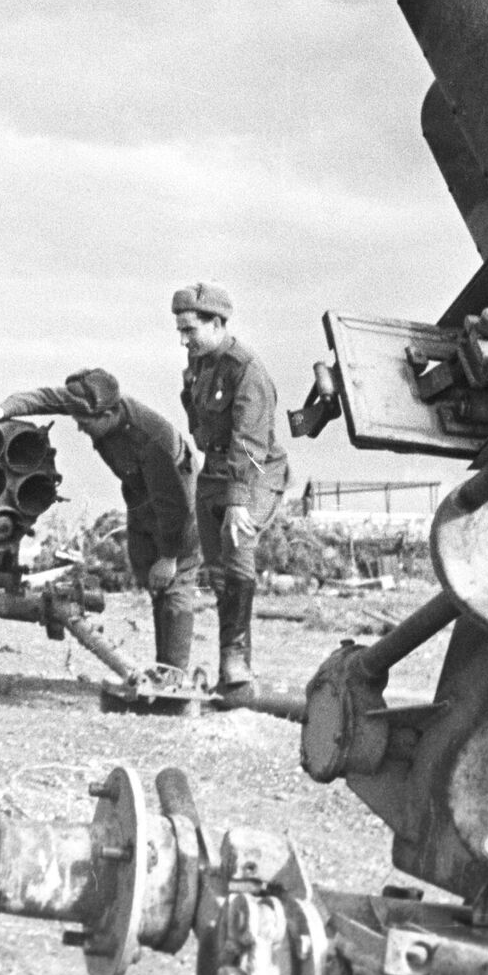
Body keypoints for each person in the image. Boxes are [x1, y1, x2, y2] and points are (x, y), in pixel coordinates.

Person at [0, 369, 201, 673]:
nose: (80, 429)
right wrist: (0, 411)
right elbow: (43, 397)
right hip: (141, 498)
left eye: (85, 423)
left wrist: (171, 557)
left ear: (109, 414)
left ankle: (175, 678)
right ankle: (166, 671)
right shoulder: (90, 402)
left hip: (180, 507)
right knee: (152, 579)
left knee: (173, 584)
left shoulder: (150, 438)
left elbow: (176, 506)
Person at [174, 282, 288, 695]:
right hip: (215, 467)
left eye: (191, 329)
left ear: (218, 322)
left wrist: (239, 501)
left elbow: (252, 443)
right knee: (217, 569)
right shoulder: (199, 363)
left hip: (255, 470)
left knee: (236, 549)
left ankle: (237, 660)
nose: (184, 339)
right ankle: (230, 665)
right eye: (180, 331)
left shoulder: (247, 370)